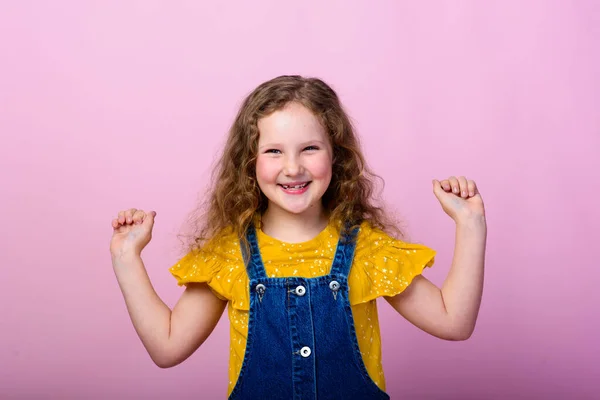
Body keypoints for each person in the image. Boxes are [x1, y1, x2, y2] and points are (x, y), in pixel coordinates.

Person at [110, 75, 487, 400]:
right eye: (273, 151)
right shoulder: (229, 255)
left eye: (309, 148)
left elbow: (454, 322)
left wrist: (470, 226)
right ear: (250, 162)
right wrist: (127, 258)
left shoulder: (368, 250)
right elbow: (167, 346)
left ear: (336, 156)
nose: (293, 167)